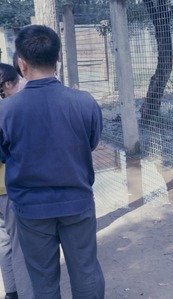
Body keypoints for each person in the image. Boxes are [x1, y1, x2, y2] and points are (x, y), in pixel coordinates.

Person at [0, 25, 105, 298]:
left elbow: (2, 154)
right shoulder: (84, 102)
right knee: (86, 271)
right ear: (58, 57)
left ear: (21, 63)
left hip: (31, 210)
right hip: (77, 203)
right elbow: (90, 144)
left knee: (42, 281)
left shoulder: (6, 110)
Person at [0, 63, 33, 299]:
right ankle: (26, 294)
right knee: (20, 245)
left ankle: (11, 291)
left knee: (3, 243)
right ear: (7, 84)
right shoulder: (7, 110)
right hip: (7, 187)